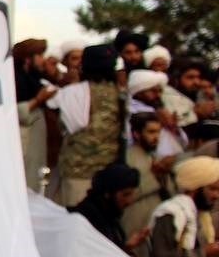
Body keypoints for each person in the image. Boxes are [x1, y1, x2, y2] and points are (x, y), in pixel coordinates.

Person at [49, 44, 125, 207]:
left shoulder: (73, 93)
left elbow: (64, 126)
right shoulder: (121, 95)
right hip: (109, 172)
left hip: (78, 172)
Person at [68, 163, 147, 254]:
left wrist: (128, 247)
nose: (129, 201)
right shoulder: (87, 217)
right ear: (108, 194)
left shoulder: (108, 215)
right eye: (125, 195)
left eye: (131, 194)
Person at [12, 38, 57, 192]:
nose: (42, 60)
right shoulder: (15, 79)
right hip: (24, 143)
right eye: (39, 55)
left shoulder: (34, 78)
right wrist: (38, 99)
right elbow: (13, 112)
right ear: (27, 58)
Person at [123, 112, 173, 241]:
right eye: (151, 132)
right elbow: (126, 195)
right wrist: (153, 175)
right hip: (135, 224)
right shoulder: (127, 159)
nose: (156, 137)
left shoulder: (155, 157)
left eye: (158, 132)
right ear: (136, 134)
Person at [126, 69, 186, 157]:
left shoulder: (161, 111)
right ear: (138, 92)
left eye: (160, 91)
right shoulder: (128, 111)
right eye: (153, 91)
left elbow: (184, 144)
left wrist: (173, 127)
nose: (158, 95)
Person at [163, 59, 217, 139]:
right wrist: (197, 113)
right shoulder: (168, 94)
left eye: (198, 77)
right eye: (190, 77)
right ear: (177, 78)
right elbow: (177, 126)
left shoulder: (195, 96)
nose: (196, 82)